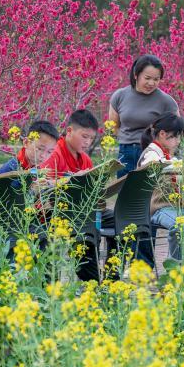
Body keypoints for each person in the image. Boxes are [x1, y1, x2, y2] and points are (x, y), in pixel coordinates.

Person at [40, 109, 116, 281]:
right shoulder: (55, 153)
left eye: (91, 138)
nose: (88, 142)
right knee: (88, 227)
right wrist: (67, 182)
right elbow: (42, 186)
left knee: (118, 219)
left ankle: (112, 277)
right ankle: (92, 282)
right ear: (69, 131)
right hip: (61, 213)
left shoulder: (85, 159)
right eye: (84, 136)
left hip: (85, 210)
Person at [137, 113, 184, 261]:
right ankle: (177, 268)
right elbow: (162, 167)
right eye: (176, 137)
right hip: (158, 209)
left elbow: (176, 168)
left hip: (176, 208)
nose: (178, 141)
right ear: (163, 134)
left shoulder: (168, 156)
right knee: (180, 226)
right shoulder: (150, 155)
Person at [109, 54, 179, 177]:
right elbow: (113, 126)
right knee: (124, 192)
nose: (151, 83)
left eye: (156, 79)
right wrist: (127, 139)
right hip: (126, 153)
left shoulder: (166, 101)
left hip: (152, 154)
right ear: (136, 75)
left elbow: (177, 129)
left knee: (150, 194)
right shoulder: (119, 96)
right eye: (147, 78)